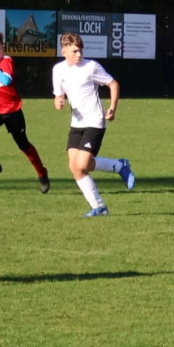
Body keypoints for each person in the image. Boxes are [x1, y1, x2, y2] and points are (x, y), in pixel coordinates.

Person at [52, 32, 135, 217]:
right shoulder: (58, 70)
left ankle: (119, 168)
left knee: (82, 164)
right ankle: (100, 206)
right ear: (63, 51)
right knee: (75, 167)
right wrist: (58, 102)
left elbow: (114, 84)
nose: (79, 55)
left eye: (81, 50)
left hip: (95, 121)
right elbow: (58, 95)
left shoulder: (91, 67)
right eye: (75, 51)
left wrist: (112, 108)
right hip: (76, 123)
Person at [0, 30, 50, 193]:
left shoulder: (7, 61)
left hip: (12, 110)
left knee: (23, 144)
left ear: (3, 48)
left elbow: (6, 80)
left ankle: (42, 173)